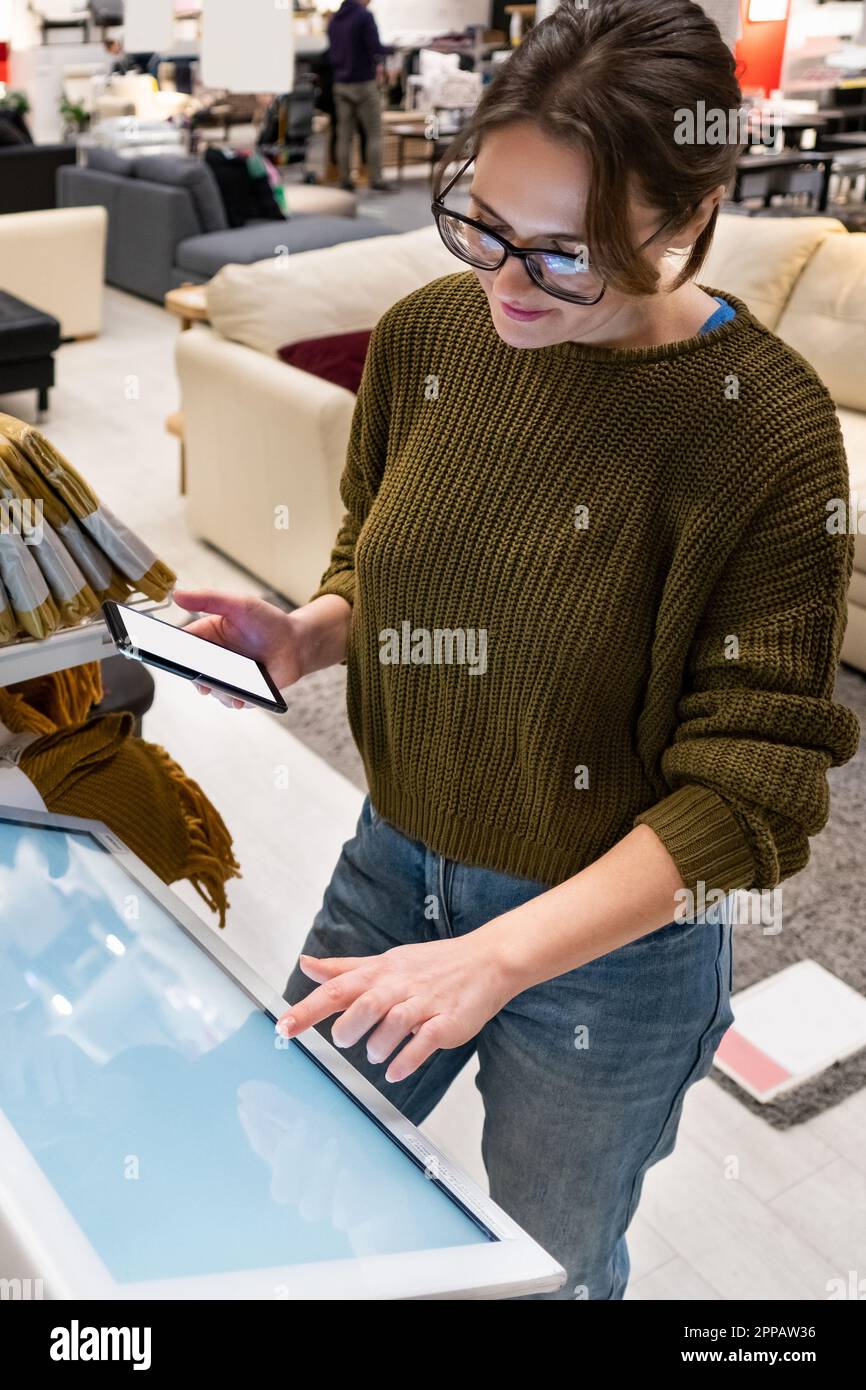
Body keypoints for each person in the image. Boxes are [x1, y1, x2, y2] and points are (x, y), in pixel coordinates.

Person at [173, 0, 860, 1299]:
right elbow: (377, 550)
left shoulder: (760, 435)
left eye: (565, 256)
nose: (502, 280)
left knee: (543, 1267)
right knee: (275, 1155)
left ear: (689, 216)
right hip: (391, 865)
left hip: (610, 947)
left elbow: (749, 799)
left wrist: (495, 959)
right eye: (481, 221)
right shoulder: (434, 335)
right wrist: (311, 633)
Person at [326, 0, 391, 191]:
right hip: (363, 83)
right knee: (374, 133)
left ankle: (345, 179)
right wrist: (392, 48)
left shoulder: (334, 20)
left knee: (344, 135)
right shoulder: (364, 16)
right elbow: (375, 47)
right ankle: (376, 179)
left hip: (341, 84)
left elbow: (331, 53)